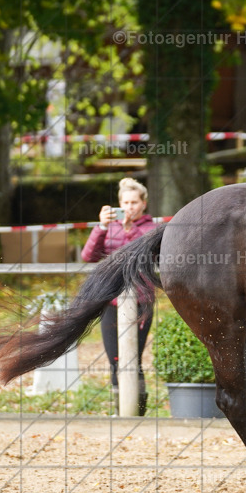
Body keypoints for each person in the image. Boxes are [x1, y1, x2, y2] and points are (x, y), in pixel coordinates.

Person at [81, 177, 157, 415]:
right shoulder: (109, 227)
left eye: (134, 202)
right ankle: (120, 409)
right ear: (118, 204)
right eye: (125, 202)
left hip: (140, 301)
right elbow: (88, 256)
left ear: (144, 203)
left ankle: (137, 410)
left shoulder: (151, 228)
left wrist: (129, 229)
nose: (130, 207)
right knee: (115, 359)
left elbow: (145, 253)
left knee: (133, 358)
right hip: (111, 301)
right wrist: (101, 227)